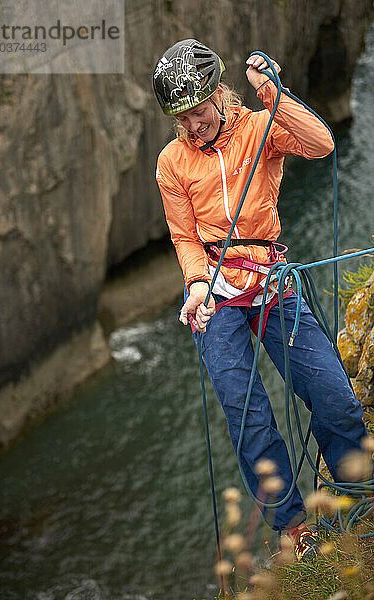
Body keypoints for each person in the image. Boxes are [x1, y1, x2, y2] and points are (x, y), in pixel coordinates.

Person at [153, 39, 368, 561]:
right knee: (246, 413)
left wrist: (274, 95)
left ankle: (355, 492)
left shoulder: (257, 127)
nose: (192, 125)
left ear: (218, 93)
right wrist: (198, 284)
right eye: (181, 117)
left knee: (332, 393)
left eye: (198, 110)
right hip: (217, 289)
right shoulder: (172, 162)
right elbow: (184, 236)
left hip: (270, 276)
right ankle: (294, 526)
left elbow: (321, 144)